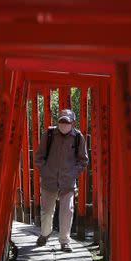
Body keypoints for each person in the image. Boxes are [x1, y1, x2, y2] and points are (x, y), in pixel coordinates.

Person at [33, 108, 89, 252]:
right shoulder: (49, 134)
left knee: (67, 211)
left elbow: (83, 160)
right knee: (46, 211)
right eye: (61, 121)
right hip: (49, 180)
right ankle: (45, 234)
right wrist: (45, 170)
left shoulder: (78, 137)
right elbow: (39, 156)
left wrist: (73, 174)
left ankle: (65, 241)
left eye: (67, 122)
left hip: (67, 182)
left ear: (72, 123)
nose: (64, 124)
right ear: (58, 122)